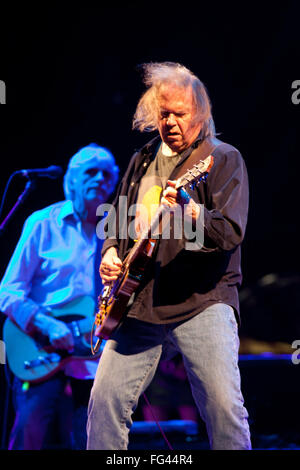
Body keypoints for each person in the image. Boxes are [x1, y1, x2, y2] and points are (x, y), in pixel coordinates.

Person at [86, 62, 252, 450]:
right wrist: (110, 252)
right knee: (104, 404)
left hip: (202, 302)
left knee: (224, 409)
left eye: (181, 113)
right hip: (138, 304)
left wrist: (190, 210)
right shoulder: (142, 158)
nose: (172, 122)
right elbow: (115, 220)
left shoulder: (222, 159)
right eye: (164, 114)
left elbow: (230, 232)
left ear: (200, 115)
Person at [0, 143, 119, 450]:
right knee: (30, 435)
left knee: (93, 442)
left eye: (107, 174)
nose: (99, 179)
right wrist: (47, 325)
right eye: (90, 172)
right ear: (72, 180)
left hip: (94, 359)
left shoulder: (118, 233)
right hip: (40, 350)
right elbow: (9, 292)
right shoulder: (42, 223)